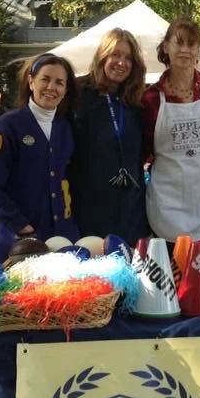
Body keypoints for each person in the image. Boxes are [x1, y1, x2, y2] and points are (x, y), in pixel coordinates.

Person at [141, 15, 200, 259]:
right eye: (178, 42)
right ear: (166, 47)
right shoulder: (150, 98)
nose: (185, 50)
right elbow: (145, 150)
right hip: (168, 209)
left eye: (191, 44)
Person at [0, 53, 81, 263]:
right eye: (45, 79)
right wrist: (21, 226)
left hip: (63, 240)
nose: (52, 87)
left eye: (59, 82)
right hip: (21, 243)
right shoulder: (7, 127)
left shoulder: (65, 129)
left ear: (66, 90)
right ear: (31, 81)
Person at [70, 29, 150, 245]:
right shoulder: (77, 93)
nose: (121, 63)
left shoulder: (136, 100)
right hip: (89, 205)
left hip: (131, 208)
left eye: (128, 58)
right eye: (115, 55)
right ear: (103, 55)